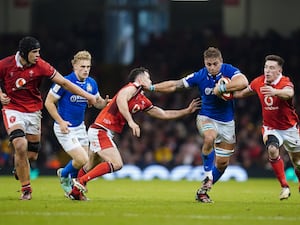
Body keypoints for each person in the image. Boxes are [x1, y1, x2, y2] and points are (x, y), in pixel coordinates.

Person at [68, 66, 201, 200]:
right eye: (148, 78)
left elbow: (163, 113)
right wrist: (131, 122)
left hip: (102, 130)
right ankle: (81, 181)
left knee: (92, 164)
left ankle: (75, 192)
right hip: (101, 129)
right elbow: (121, 99)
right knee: (116, 164)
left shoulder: (142, 100)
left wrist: (186, 111)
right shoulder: (132, 87)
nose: (150, 81)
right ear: (140, 78)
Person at [143, 47, 249, 203]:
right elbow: (175, 85)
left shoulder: (229, 70)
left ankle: (203, 191)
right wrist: (152, 88)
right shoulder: (200, 75)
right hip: (206, 117)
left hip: (227, 123)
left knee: (222, 164)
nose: (212, 67)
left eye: (215, 64)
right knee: (209, 137)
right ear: (204, 63)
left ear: (221, 61)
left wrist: (222, 88)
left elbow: (244, 82)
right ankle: (207, 175)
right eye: (208, 64)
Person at [0, 36, 97, 200]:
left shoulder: (41, 66)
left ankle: (20, 165)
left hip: (33, 111)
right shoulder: (6, 64)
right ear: (24, 53)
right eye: (35, 52)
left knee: (31, 156)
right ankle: (26, 190)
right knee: (20, 145)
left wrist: (88, 96)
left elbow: (65, 83)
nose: (38, 55)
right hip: (13, 108)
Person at [234, 54, 300, 200]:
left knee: (298, 163)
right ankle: (284, 187)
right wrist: (226, 93)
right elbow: (243, 93)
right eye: (266, 67)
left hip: (290, 129)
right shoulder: (259, 81)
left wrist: (275, 91)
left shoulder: (285, 82)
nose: (267, 71)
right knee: (272, 149)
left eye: (271, 68)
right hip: (271, 128)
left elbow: (290, 92)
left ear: (279, 70)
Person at [44, 50, 109, 196]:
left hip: (80, 127)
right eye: (82, 67)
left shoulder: (91, 83)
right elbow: (48, 102)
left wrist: (104, 103)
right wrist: (60, 122)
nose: (86, 70)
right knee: (82, 159)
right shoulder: (64, 82)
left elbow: (96, 102)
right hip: (64, 127)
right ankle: (64, 174)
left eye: (88, 67)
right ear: (74, 66)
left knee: (85, 163)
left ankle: (75, 190)